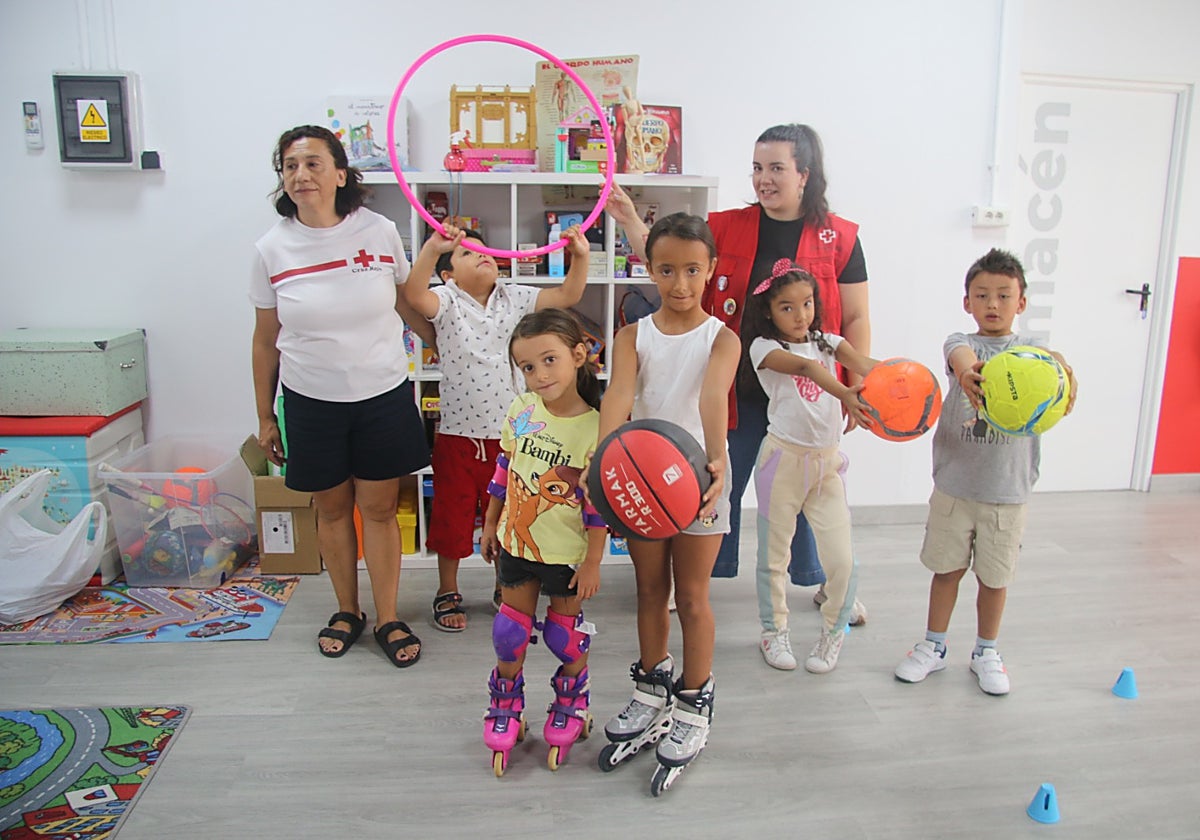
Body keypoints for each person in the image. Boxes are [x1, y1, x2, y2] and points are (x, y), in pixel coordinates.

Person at [605, 124, 869, 619]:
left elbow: (855, 317)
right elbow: (676, 263)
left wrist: (855, 386)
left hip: (807, 392)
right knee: (718, 477)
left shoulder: (841, 237)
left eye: (775, 168)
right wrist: (629, 221)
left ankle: (822, 582)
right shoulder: (726, 225)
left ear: (804, 175)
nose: (762, 179)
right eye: (756, 167)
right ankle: (693, 579)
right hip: (738, 387)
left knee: (812, 489)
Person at [250, 125, 435, 667]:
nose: (301, 174)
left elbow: (403, 299)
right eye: (289, 166)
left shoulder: (377, 231)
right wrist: (266, 416)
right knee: (332, 512)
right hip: (310, 399)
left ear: (339, 173)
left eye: (312, 163)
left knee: (378, 511)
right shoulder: (271, 249)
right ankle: (346, 610)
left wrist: (440, 341)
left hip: (382, 392)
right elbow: (265, 341)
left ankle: (389, 617)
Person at [592, 213, 739, 795]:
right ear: (648, 268)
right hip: (642, 484)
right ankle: (651, 686)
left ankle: (695, 699)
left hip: (700, 483)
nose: (680, 283)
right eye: (668, 270)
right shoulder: (632, 335)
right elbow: (619, 397)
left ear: (711, 270)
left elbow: (711, 397)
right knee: (650, 591)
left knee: (694, 597)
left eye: (693, 270)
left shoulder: (721, 338)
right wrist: (603, 459)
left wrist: (718, 459)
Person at [893, 248, 1077, 695]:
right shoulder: (962, 344)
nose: (992, 304)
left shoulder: (1032, 358)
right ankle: (934, 647)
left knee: (995, 579)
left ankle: (986, 652)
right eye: (981, 295)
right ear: (967, 302)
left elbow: (1050, 359)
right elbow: (956, 351)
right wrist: (967, 370)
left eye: (1003, 295)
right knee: (946, 571)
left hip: (1007, 493)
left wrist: (1063, 371)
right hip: (955, 488)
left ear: (1022, 303)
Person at [404, 223, 590, 631]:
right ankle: (446, 589)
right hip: (458, 435)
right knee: (452, 517)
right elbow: (412, 294)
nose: (483, 255)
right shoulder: (447, 300)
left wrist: (580, 255)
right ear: (448, 273)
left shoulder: (516, 295)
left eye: (485, 250)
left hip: (513, 438)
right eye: (468, 253)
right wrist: (434, 248)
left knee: (508, 515)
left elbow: (568, 295)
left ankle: (503, 583)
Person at [479, 309, 606, 776]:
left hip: (566, 556)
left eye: (549, 360)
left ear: (578, 355)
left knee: (562, 636)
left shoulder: (595, 426)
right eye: (528, 367)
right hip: (516, 544)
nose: (539, 375)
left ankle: (573, 700)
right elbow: (503, 471)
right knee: (508, 633)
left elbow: (596, 505)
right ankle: (505, 704)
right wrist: (491, 522)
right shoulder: (521, 410)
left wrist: (593, 561)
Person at [742, 259, 880, 673]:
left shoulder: (826, 341)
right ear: (769, 311)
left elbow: (857, 359)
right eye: (787, 307)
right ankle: (773, 631)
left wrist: (889, 377)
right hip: (781, 462)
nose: (801, 314)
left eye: (807, 303)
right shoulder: (764, 349)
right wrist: (846, 393)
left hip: (826, 466)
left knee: (843, 561)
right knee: (773, 557)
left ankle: (834, 632)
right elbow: (806, 368)